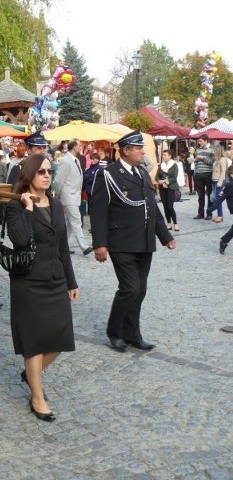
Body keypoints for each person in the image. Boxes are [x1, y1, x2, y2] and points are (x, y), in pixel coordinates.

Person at [5, 154, 78, 422]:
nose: (47, 175)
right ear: (29, 175)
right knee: (34, 343)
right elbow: (20, 239)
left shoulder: (56, 204)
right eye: (41, 172)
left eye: (50, 171)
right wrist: (28, 208)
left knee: (60, 338)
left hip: (55, 278)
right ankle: (37, 396)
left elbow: (62, 247)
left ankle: (30, 374)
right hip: (29, 281)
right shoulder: (16, 205)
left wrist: (71, 281)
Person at [90, 130, 176, 353]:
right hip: (121, 241)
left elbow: (152, 207)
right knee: (130, 287)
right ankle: (114, 331)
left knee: (140, 290)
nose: (143, 151)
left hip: (144, 241)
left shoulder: (141, 172)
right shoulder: (108, 174)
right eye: (138, 148)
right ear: (126, 150)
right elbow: (98, 212)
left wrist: (165, 236)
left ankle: (132, 333)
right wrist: (100, 243)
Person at [53, 139, 93, 256]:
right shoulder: (66, 160)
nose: (81, 147)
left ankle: (60, 246)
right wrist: (59, 195)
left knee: (67, 224)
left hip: (73, 196)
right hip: (68, 196)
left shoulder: (74, 160)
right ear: (73, 147)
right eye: (79, 145)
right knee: (76, 221)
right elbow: (59, 180)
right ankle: (84, 246)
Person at [207, 165, 233, 254]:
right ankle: (223, 241)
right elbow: (220, 198)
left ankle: (224, 241)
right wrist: (211, 208)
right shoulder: (229, 185)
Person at [156, 149, 180, 231]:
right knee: (165, 206)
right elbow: (157, 176)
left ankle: (175, 223)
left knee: (170, 206)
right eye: (162, 155)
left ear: (169, 156)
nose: (163, 157)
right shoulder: (161, 166)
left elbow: (174, 177)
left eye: (165, 155)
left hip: (171, 187)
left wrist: (167, 182)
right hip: (162, 187)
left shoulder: (174, 165)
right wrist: (162, 182)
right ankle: (168, 223)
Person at [193, 134, 215, 220]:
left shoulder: (212, 150)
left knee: (209, 195)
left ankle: (209, 213)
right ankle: (200, 213)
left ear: (206, 141)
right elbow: (196, 162)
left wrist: (202, 158)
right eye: (199, 141)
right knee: (200, 195)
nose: (199, 143)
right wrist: (195, 171)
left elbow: (213, 162)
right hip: (198, 174)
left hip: (208, 174)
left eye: (200, 141)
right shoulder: (198, 150)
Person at [211, 145, 228, 223]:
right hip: (214, 180)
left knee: (218, 199)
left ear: (218, 151)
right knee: (215, 199)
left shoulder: (222, 159)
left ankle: (220, 215)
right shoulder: (216, 160)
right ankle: (219, 215)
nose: (213, 152)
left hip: (218, 181)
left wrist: (220, 182)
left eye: (215, 150)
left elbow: (223, 171)